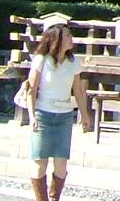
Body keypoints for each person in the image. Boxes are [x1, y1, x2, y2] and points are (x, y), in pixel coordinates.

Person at [24, 23, 93, 201]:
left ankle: (55, 198)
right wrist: (31, 116)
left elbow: (78, 90)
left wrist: (84, 115)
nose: (71, 38)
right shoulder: (41, 59)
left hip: (64, 115)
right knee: (40, 161)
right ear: (57, 39)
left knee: (61, 162)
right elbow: (32, 89)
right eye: (68, 35)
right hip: (43, 114)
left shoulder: (73, 61)